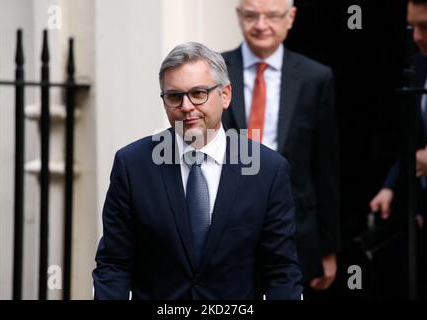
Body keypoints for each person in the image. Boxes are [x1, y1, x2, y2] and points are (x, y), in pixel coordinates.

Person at [92, 42, 303, 300]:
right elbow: (114, 265)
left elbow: (281, 270)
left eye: (198, 93)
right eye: (174, 96)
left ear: (225, 95)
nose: (187, 106)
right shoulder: (132, 165)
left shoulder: (268, 170)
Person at [222, 0, 340, 295]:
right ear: (239, 16)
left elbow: (325, 166)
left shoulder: (316, 77)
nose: (261, 25)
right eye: (251, 15)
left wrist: (328, 248)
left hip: (293, 228)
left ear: (291, 18)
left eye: (272, 15)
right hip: (225, 227)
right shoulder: (215, 71)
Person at [369, 0, 427, 299]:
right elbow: (413, 140)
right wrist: (391, 187)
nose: (418, 36)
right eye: (413, 26)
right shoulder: (419, 65)